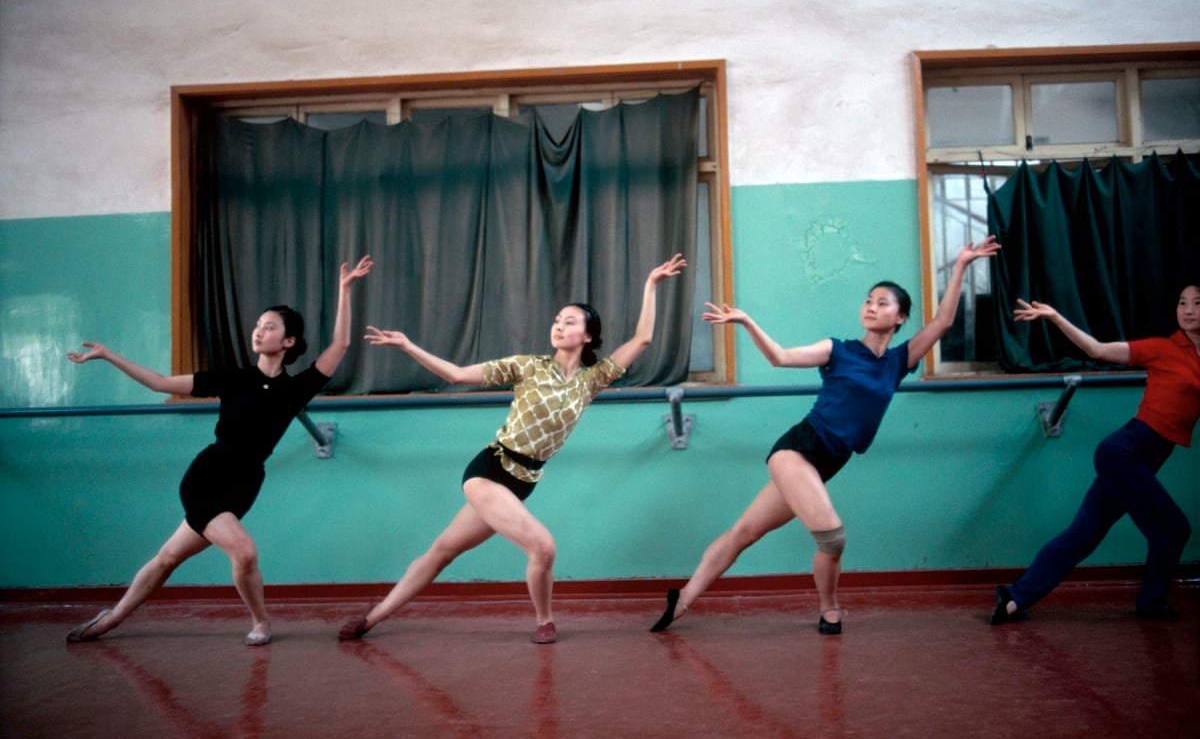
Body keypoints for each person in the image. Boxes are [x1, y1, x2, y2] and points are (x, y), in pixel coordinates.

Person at [650, 237, 1001, 635]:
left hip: (830, 461)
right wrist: (747, 322)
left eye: (883, 303)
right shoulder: (838, 350)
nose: (872, 306)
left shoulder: (899, 361)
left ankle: (683, 600)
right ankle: (830, 609)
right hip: (798, 450)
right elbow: (780, 357)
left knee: (744, 532)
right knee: (832, 538)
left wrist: (960, 266)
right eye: (869, 300)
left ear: (900, 317)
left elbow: (942, 323)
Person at [338, 254, 687, 645]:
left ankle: (371, 619)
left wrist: (651, 285)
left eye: (569, 321)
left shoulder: (594, 379)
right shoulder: (528, 366)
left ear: (587, 335)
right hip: (489, 470)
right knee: (543, 547)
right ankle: (544, 621)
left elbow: (643, 339)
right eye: (556, 320)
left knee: (440, 552)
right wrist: (407, 346)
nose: (558, 325)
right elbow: (455, 374)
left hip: (525, 480)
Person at [65, 255, 374, 646]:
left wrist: (345, 291)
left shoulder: (297, 388)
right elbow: (160, 383)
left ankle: (111, 619)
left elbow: (342, 343)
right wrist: (109, 355)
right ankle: (261, 622)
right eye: (257, 325)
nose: (258, 331)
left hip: (245, 484)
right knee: (243, 551)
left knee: (168, 558)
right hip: (209, 475)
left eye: (269, 327)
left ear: (289, 341)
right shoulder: (232, 379)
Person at [990, 285, 1199, 625]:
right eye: (1182, 303)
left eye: (1198, 303)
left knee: (1082, 535)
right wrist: (1056, 318)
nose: (1188, 310)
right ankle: (1151, 602)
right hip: (1125, 452)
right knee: (1173, 529)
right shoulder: (1163, 349)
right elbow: (1098, 350)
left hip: (1143, 458)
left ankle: (1014, 598)